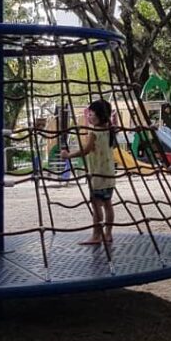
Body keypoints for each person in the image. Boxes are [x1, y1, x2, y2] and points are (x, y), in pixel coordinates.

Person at [61, 99, 117, 247]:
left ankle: (96, 236)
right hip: (109, 174)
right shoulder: (110, 129)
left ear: (100, 115)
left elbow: (86, 150)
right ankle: (108, 233)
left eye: (91, 114)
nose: (89, 117)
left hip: (97, 175)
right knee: (107, 204)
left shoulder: (94, 131)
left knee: (96, 205)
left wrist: (69, 155)